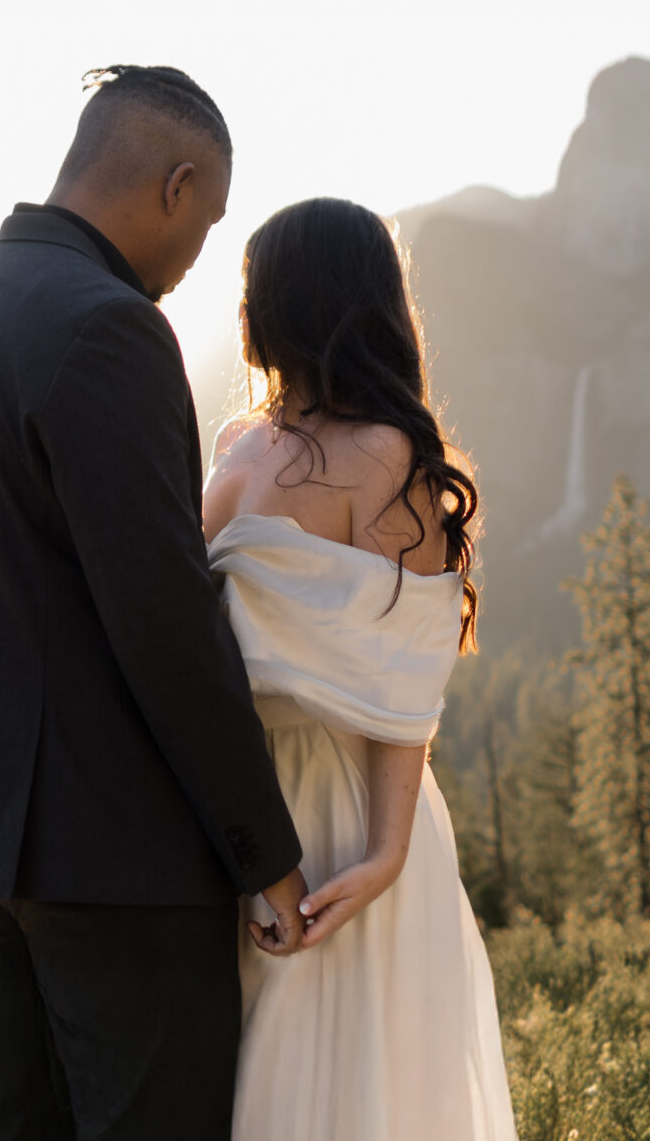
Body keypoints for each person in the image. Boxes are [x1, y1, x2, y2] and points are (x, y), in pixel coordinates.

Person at [0, 65, 310, 1141]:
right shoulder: (108, 328)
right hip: (110, 856)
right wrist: (262, 848)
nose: (197, 256)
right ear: (175, 185)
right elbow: (162, 619)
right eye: (208, 221)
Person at [203, 197, 517, 1141]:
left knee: (325, 1085)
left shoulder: (388, 457)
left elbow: (404, 681)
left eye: (258, 287)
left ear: (307, 298)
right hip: (238, 797)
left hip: (346, 811)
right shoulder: (232, 444)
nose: (244, 309)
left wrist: (382, 857)